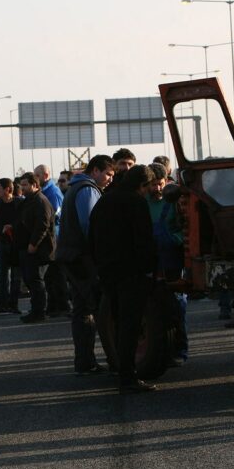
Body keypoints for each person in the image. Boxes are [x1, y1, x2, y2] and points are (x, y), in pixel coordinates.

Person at [89, 165, 158, 394]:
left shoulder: (104, 201)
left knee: (118, 324)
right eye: (148, 187)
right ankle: (128, 378)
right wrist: (150, 270)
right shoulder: (136, 203)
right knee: (131, 325)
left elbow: (92, 237)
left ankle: (121, 370)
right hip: (132, 273)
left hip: (108, 272)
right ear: (143, 185)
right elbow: (144, 240)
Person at [57, 154, 114, 375]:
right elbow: (90, 224)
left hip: (70, 256)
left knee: (82, 310)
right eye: (108, 174)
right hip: (81, 258)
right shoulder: (88, 190)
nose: (109, 179)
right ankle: (109, 357)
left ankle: (85, 361)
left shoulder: (74, 188)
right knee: (97, 308)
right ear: (96, 171)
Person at [147, 162, 187, 364]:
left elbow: (186, 229)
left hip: (171, 259)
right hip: (152, 261)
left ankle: (180, 351)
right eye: (152, 184)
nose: (157, 188)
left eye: (160, 183)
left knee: (176, 306)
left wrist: (176, 239)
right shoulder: (143, 201)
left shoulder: (175, 201)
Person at [13, 172, 55, 323]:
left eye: (25, 185)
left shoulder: (40, 201)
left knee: (36, 280)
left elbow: (42, 225)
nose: (22, 188)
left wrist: (33, 244)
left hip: (38, 249)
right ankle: (36, 309)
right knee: (31, 279)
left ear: (35, 185)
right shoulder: (30, 200)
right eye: (21, 185)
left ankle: (39, 312)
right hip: (28, 248)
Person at [35, 164, 71, 317]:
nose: (36, 178)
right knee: (51, 275)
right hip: (51, 239)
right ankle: (54, 305)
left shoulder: (53, 192)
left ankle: (61, 305)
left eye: (37, 175)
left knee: (57, 274)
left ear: (46, 175)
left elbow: (54, 215)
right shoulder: (46, 190)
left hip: (55, 238)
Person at [0, 178, 21, 314]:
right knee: (1, 277)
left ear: (8, 189)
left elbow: (25, 220)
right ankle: (2, 304)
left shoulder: (19, 203)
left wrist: (13, 227)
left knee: (16, 277)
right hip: (1, 244)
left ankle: (13, 304)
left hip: (16, 244)